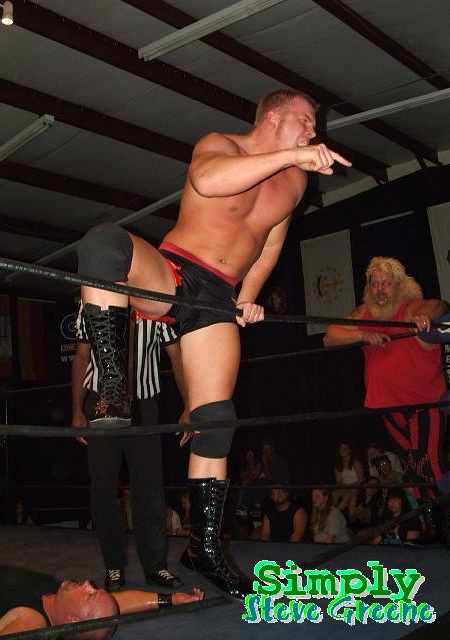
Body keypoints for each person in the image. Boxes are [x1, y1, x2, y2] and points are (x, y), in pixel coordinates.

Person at [77, 87, 351, 598]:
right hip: (175, 272)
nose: (314, 131)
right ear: (273, 117)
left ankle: (203, 547)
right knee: (103, 243)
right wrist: (293, 156)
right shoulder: (220, 144)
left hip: (219, 299)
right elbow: (207, 180)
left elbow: (271, 241)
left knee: (217, 420)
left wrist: (247, 297)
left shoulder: (295, 183)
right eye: (305, 120)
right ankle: (112, 387)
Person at [72, 307, 188, 591]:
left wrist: (189, 405)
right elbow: (82, 355)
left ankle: (156, 566)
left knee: (150, 488)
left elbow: (177, 356)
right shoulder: (93, 301)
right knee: (102, 489)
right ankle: (113, 565)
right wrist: (76, 409)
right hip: (100, 401)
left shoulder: (155, 302)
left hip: (143, 403)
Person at [324, 256, 449, 494]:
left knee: (428, 465)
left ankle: (440, 513)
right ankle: (428, 515)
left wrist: (425, 316)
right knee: (411, 469)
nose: (379, 289)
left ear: (399, 286)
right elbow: (329, 336)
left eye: (386, 283)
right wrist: (362, 335)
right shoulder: (364, 313)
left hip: (425, 405)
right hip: (390, 408)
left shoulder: (409, 307)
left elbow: (439, 305)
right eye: (374, 283)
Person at [0, 565, 203, 639]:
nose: (89, 583)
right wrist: (171, 599)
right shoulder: (56, 596)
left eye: (89, 594)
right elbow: (117, 604)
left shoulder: (33, 622)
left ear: (72, 620)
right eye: (96, 590)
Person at [332, 442, 364, 514]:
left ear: (349, 450)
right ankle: (333, 509)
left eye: (344, 448)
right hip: (345, 487)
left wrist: (351, 486)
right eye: (341, 448)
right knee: (334, 493)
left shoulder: (355, 462)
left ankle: (336, 512)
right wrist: (342, 485)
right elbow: (338, 481)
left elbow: (361, 479)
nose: (342, 450)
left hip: (356, 487)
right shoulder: (338, 465)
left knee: (348, 494)